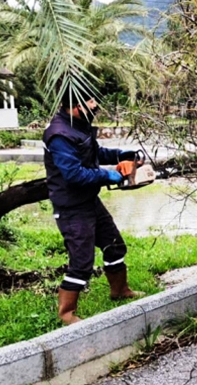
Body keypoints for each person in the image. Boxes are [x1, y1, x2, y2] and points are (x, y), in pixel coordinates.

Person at [43, 93, 143, 324]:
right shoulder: (59, 134)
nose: (95, 105)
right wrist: (110, 175)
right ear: (75, 106)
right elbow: (73, 174)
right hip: (71, 207)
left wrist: (120, 154)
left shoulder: (79, 126)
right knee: (81, 261)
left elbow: (94, 153)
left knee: (114, 245)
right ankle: (66, 313)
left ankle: (120, 290)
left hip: (89, 201)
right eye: (89, 101)